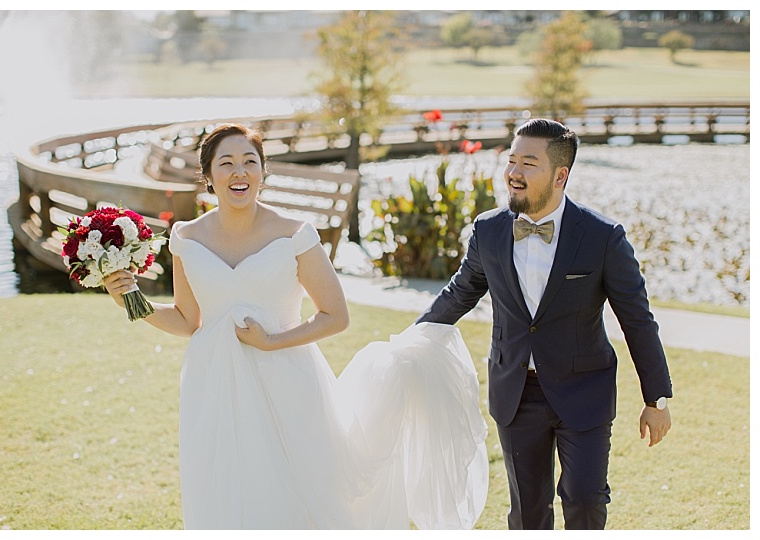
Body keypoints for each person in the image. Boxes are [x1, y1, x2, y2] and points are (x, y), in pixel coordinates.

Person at [103, 123, 489, 529]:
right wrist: (132, 302)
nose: (240, 172)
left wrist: (272, 342)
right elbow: (187, 320)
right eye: (227, 163)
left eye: (250, 162)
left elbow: (336, 315)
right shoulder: (185, 237)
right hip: (213, 385)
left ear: (263, 172)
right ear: (209, 175)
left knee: (299, 500)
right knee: (223, 496)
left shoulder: (294, 234)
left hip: (287, 381)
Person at [415, 118, 673, 530]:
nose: (514, 173)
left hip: (584, 390)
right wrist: (413, 341)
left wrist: (655, 399)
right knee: (528, 514)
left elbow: (637, 320)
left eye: (528, 163)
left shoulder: (603, 237)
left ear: (560, 174)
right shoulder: (489, 230)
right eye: (512, 160)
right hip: (515, 393)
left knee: (586, 500)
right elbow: (459, 293)